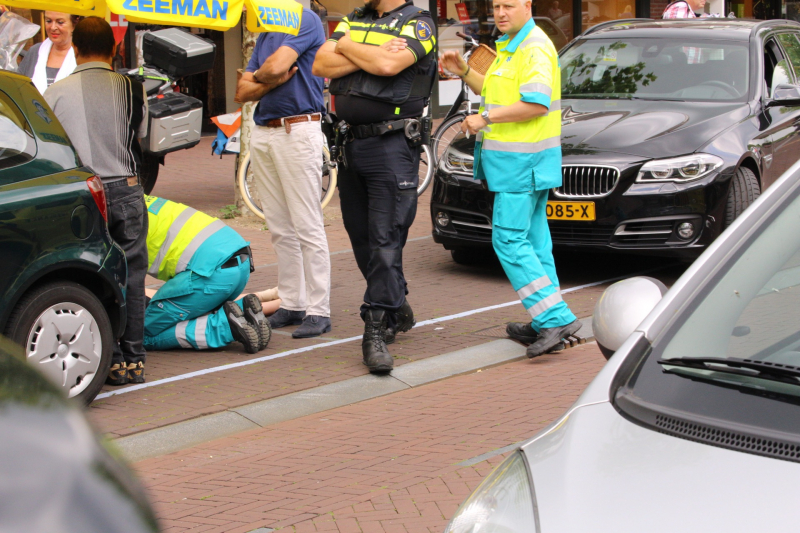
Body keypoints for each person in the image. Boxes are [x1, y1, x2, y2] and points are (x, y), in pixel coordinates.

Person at [441, 0, 581, 358]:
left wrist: (484, 119)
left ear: (527, 5)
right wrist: (464, 71)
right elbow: (496, 93)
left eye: (508, 5)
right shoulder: (513, 46)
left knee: (508, 240)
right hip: (523, 165)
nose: (501, 13)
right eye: (496, 6)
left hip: (521, 166)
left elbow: (535, 104)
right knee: (534, 244)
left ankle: (554, 318)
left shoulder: (532, 47)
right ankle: (545, 318)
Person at [312, 0, 436, 373]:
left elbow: (387, 66)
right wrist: (369, 50)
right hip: (352, 144)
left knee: (385, 239)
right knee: (360, 235)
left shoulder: (419, 23)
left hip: (392, 146)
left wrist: (348, 45)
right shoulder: (356, 18)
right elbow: (320, 63)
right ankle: (396, 303)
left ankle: (376, 329)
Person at [44, 17, 149, 385]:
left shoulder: (55, 93)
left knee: (95, 272)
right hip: (127, 188)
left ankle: (111, 358)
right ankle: (134, 359)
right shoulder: (132, 88)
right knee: (132, 273)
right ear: (115, 48)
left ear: (75, 49)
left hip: (84, 192)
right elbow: (141, 135)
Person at [235, 7, 333, 340]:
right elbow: (241, 92)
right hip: (265, 132)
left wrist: (262, 76)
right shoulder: (265, 31)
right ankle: (293, 302)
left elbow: (274, 67)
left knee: (307, 225)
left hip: (298, 129)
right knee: (279, 226)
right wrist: (273, 79)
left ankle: (319, 310)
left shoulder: (304, 19)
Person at [142, 196, 270, 354]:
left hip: (211, 275)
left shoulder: (118, 222)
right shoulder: (142, 200)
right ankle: (243, 311)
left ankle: (224, 327)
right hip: (240, 262)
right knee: (183, 313)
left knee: (141, 334)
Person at [18, 11, 78, 94]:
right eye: (48, 21)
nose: (53, 27)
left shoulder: (84, 55)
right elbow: (18, 88)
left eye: (60, 22)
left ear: (74, 24)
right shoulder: (35, 51)